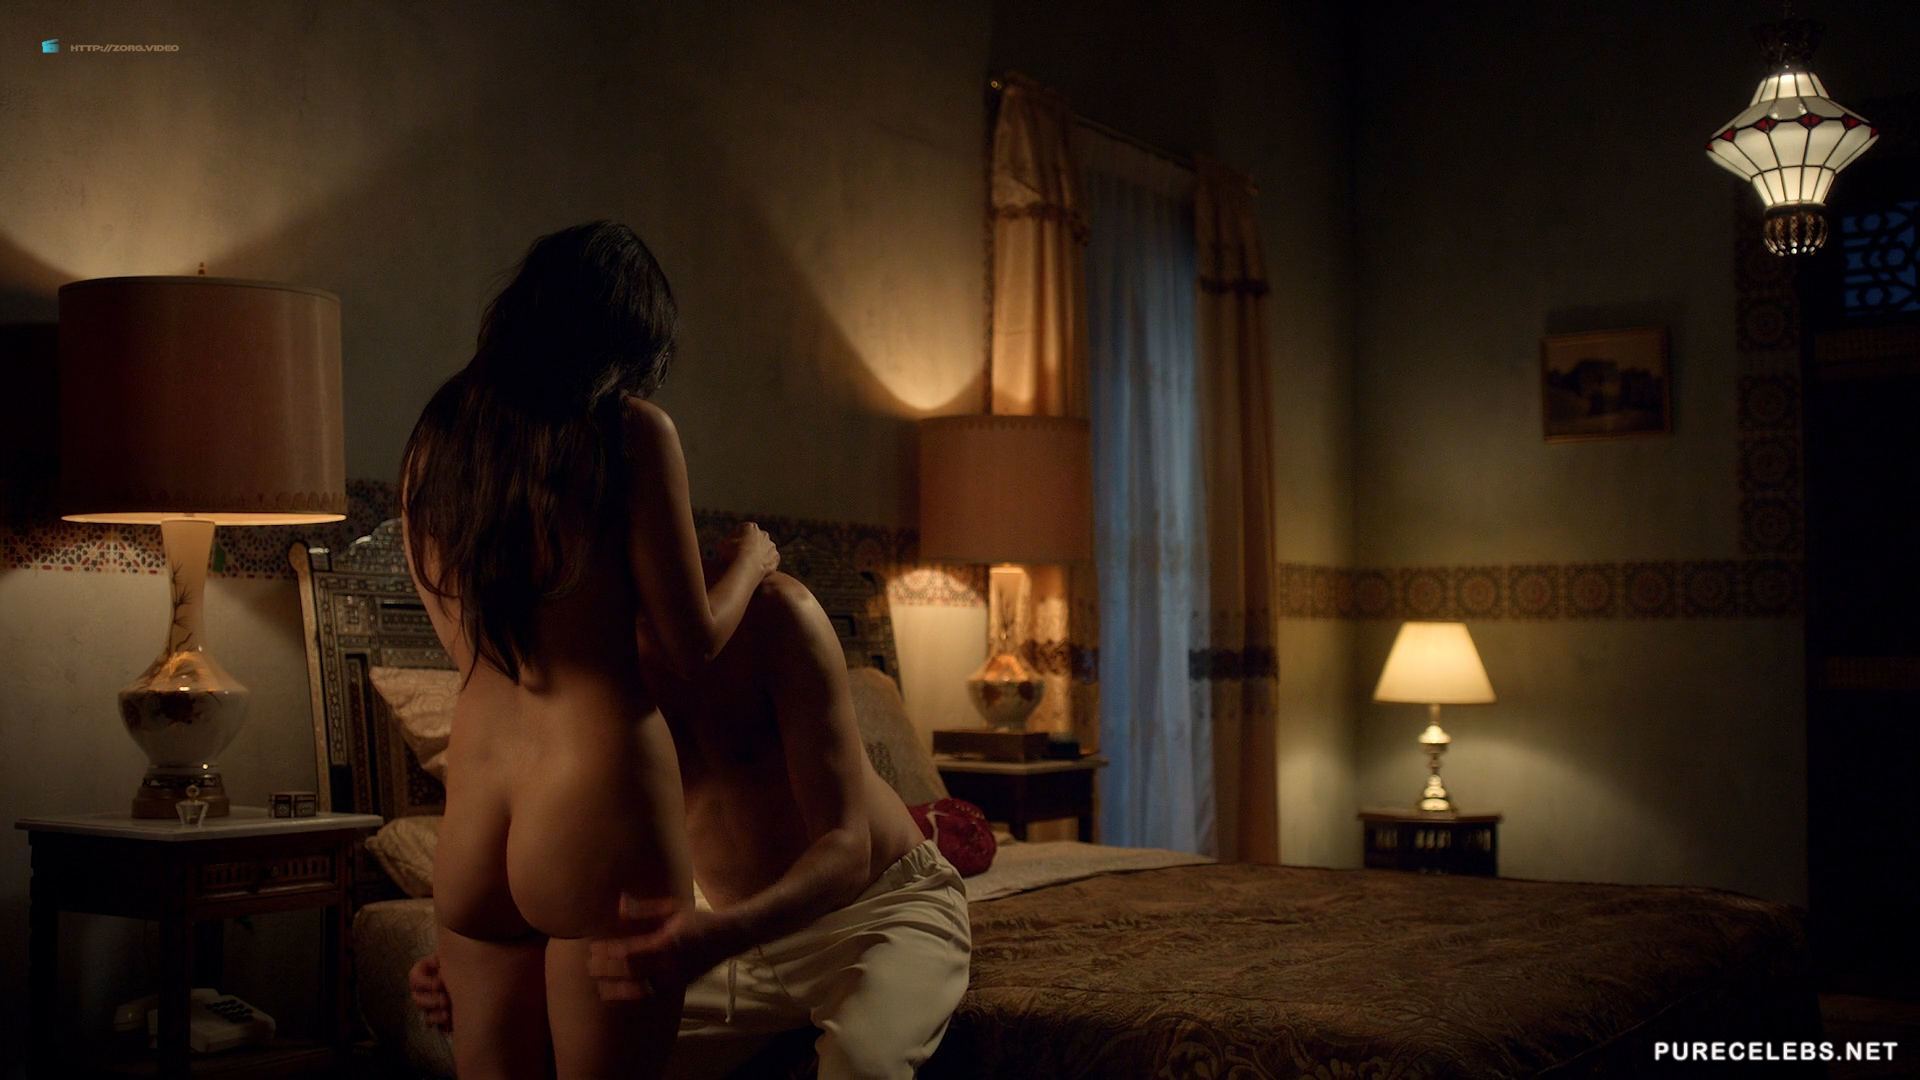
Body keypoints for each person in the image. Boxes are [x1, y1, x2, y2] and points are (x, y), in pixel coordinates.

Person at [400, 220, 780, 1079]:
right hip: (593, 798)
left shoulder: (436, 439)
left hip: (475, 809)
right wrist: (752, 563)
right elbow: (692, 644)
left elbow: (462, 644)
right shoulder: (627, 433)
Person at [411, 559, 973, 1079]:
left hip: (878, 911)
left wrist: (718, 937)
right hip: (733, 939)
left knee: (863, 1065)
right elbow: (562, 866)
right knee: (567, 1049)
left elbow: (849, 848)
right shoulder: (579, 676)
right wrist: (481, 971)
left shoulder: (775, 613)